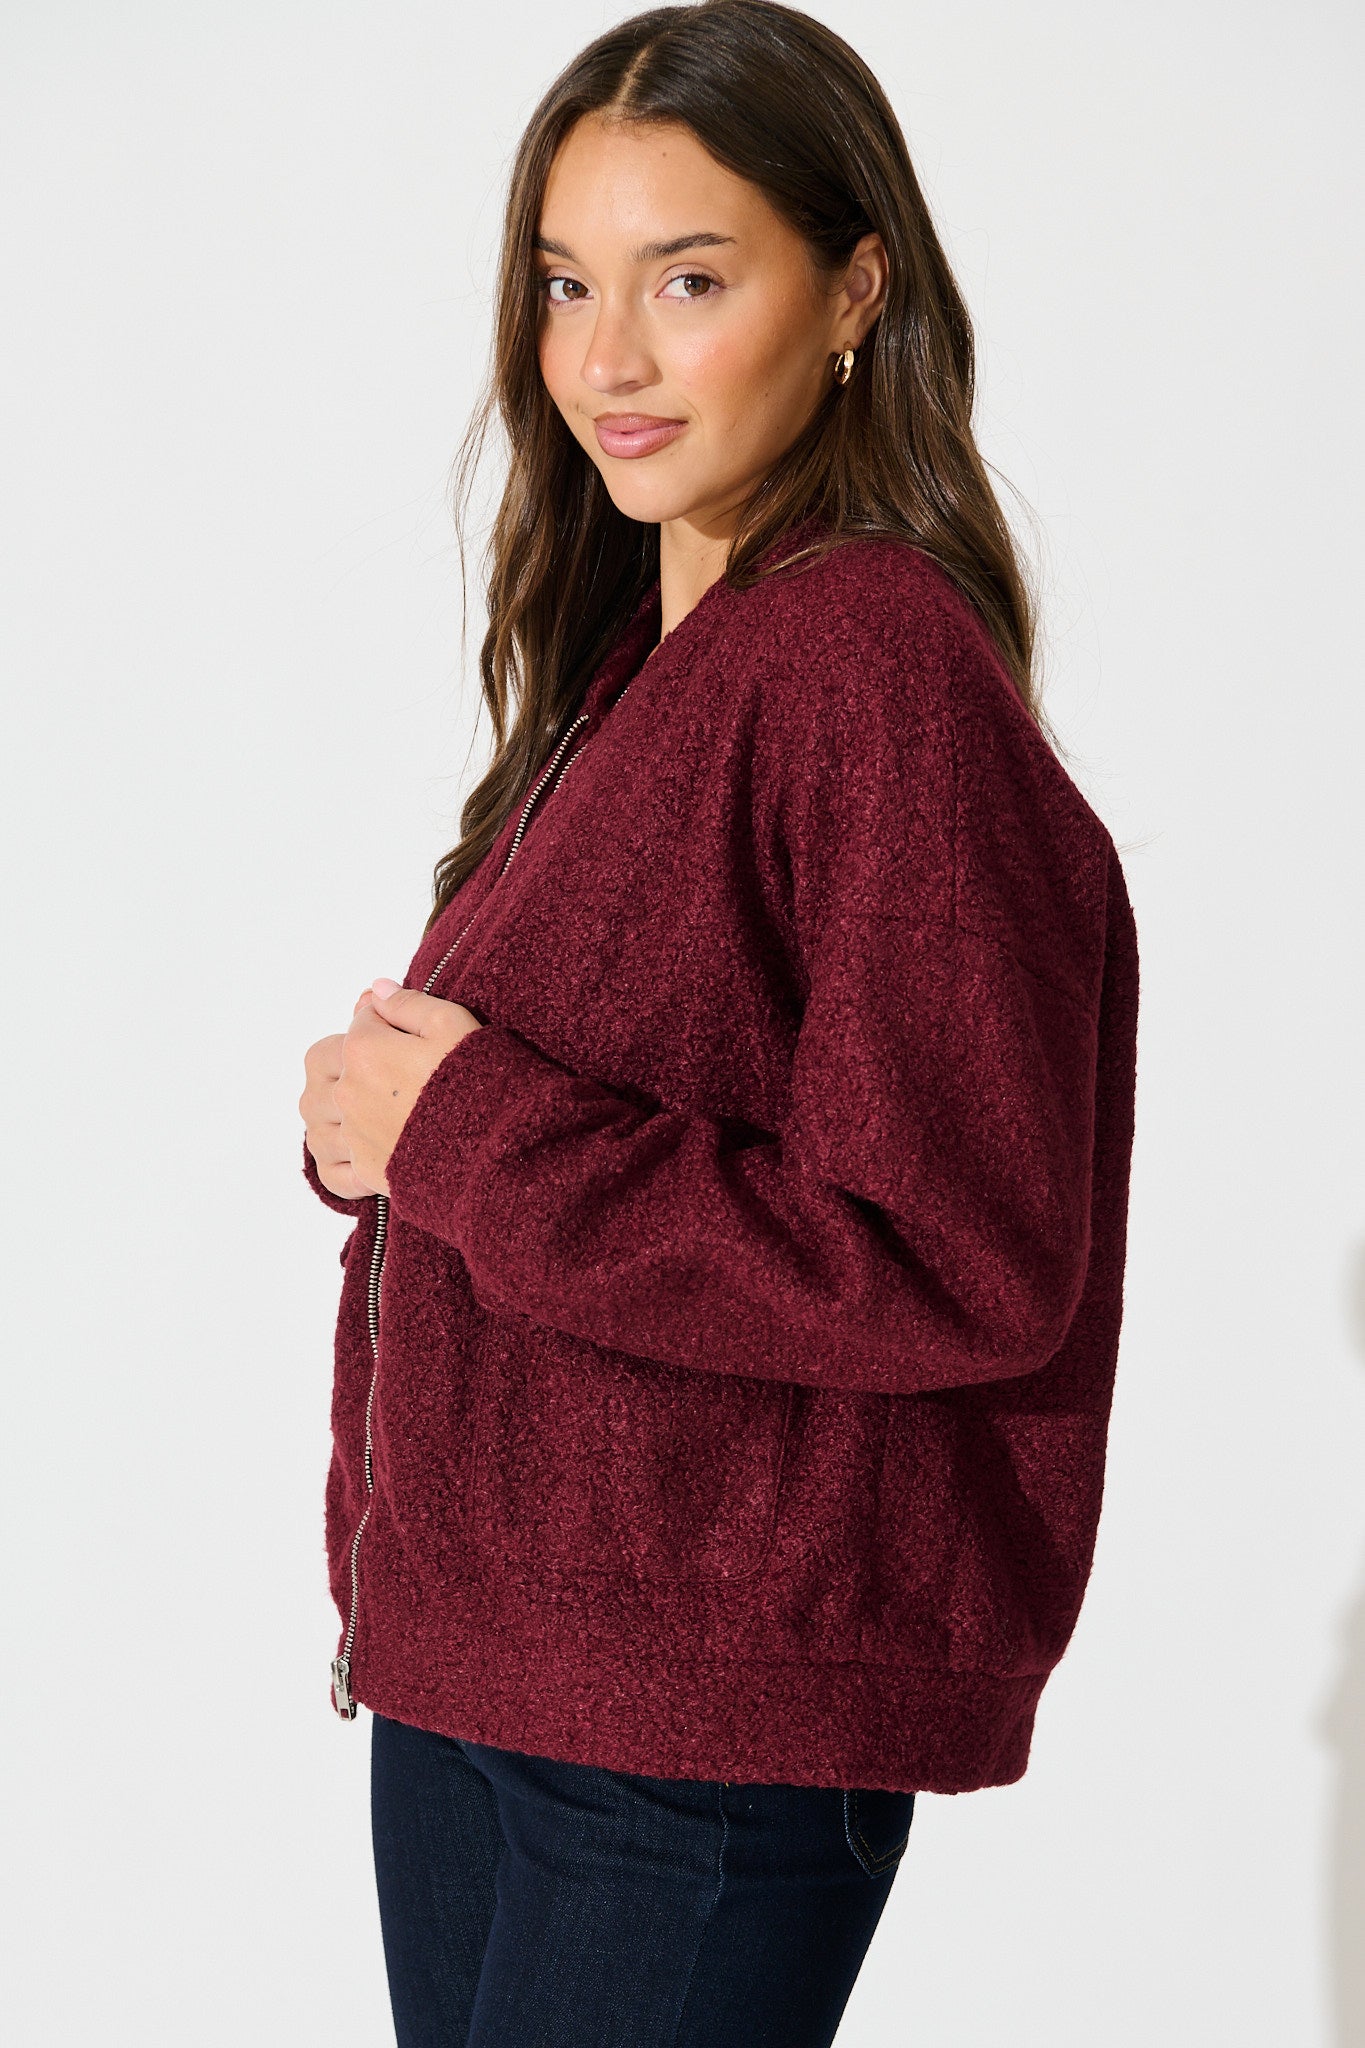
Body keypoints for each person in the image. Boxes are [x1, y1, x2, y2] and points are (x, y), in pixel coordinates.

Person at [297, 3, 1140, 2041]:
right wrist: (390, 1134)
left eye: (687, 280)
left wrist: (464, 1135)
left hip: (686, 1720)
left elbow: (955, 1252)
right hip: (488, 1676)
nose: (607, 358)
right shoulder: (639, 666)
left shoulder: (869, 667)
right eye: (563, 285)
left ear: (854, 289)